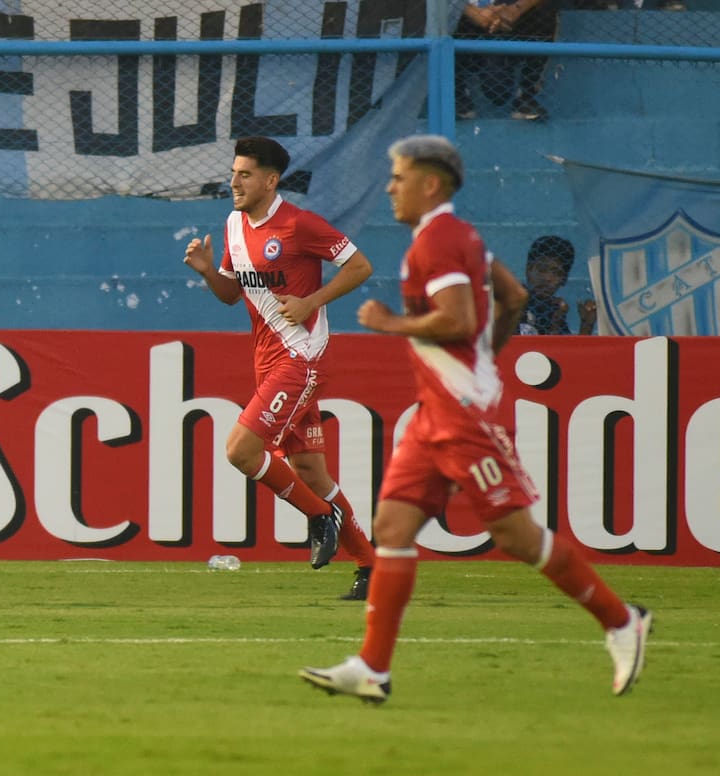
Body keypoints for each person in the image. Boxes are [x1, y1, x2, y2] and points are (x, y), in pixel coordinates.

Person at [299, 135, 652, 703]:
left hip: (464, 417)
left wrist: (392, 324)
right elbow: (510, 297)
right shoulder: (460, 238)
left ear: (430, 184)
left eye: (399, 176)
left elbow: (458, 318)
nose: (391, 186)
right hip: (435, 416)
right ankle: (373, 666)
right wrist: (486, 358)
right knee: (392, 528)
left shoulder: (436, 242)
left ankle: (620, 622)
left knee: (515, 535)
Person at [183, 135, 377, 601]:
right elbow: (232, 294)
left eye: (245, 174)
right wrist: (209, 271)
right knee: (311, 471)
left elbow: (360, 267)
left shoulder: (299, 224)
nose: (234, 182)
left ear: (270, 181)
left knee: (240, 450)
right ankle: (371, 567)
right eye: (233, 172)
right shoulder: (233, 226)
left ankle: (318, 517)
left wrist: (312, 300)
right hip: (267, 362)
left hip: (301, 360)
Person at [454, 0, 561, 121]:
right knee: (445, 13)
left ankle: (526, 94)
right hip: (465, 19)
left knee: (545, 9)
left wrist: (514, 10)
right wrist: (471, 12)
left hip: (510, 17)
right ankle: (457, 94)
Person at [517, 235, 596, 335]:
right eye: (542, 269)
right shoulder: (512, 303)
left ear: (564, 280)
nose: (547, 278)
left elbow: (565, 350)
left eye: (556, 273)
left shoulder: (554, 310)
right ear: (528, 269)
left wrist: (586, 325)